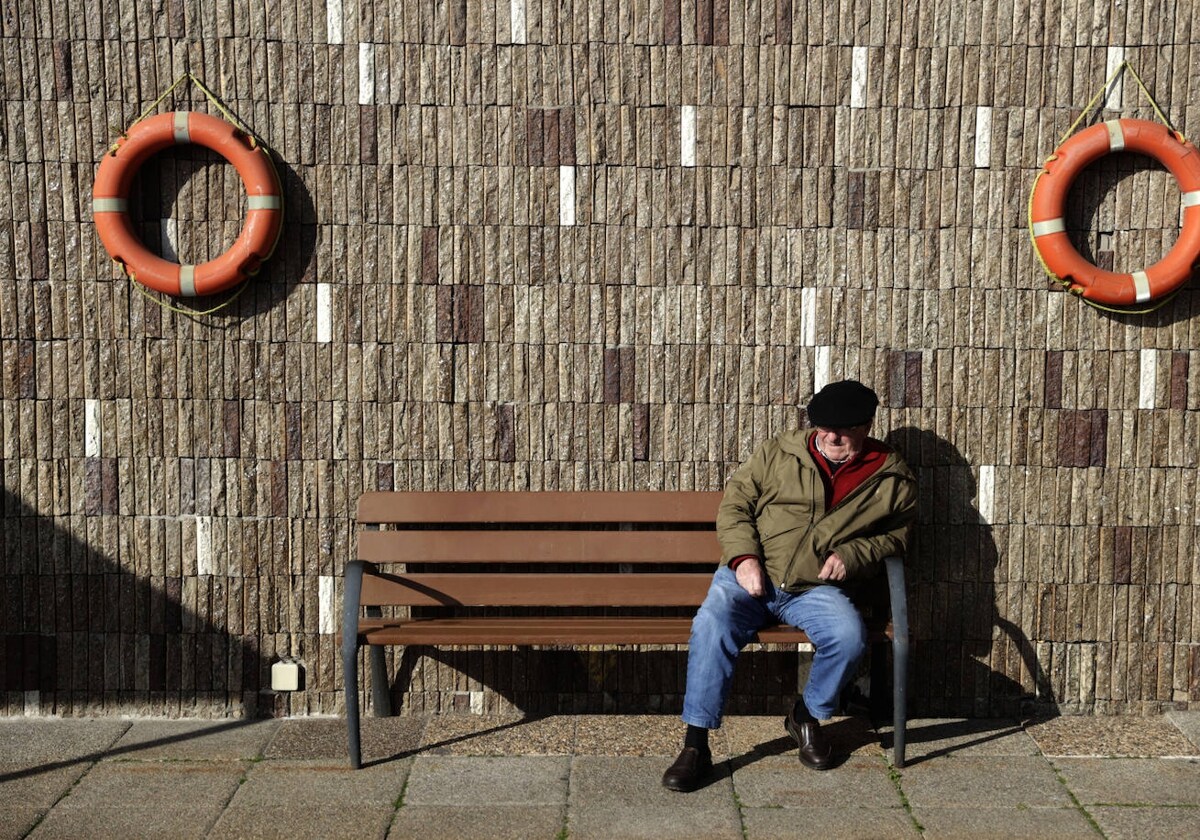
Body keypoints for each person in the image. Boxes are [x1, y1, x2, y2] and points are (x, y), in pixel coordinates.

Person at [662, 379, 918, 791]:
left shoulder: (891, 479)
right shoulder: (779, 452)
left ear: (867, 425)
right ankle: (696, 744)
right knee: (712, 625)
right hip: (750, 575)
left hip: (814, 588)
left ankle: (807, 716)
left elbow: (897, 537)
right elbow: (735, 504)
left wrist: (852, 556)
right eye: (823, 426)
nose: (831, 435)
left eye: (844, 428)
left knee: (849, 637)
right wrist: (744, 559)